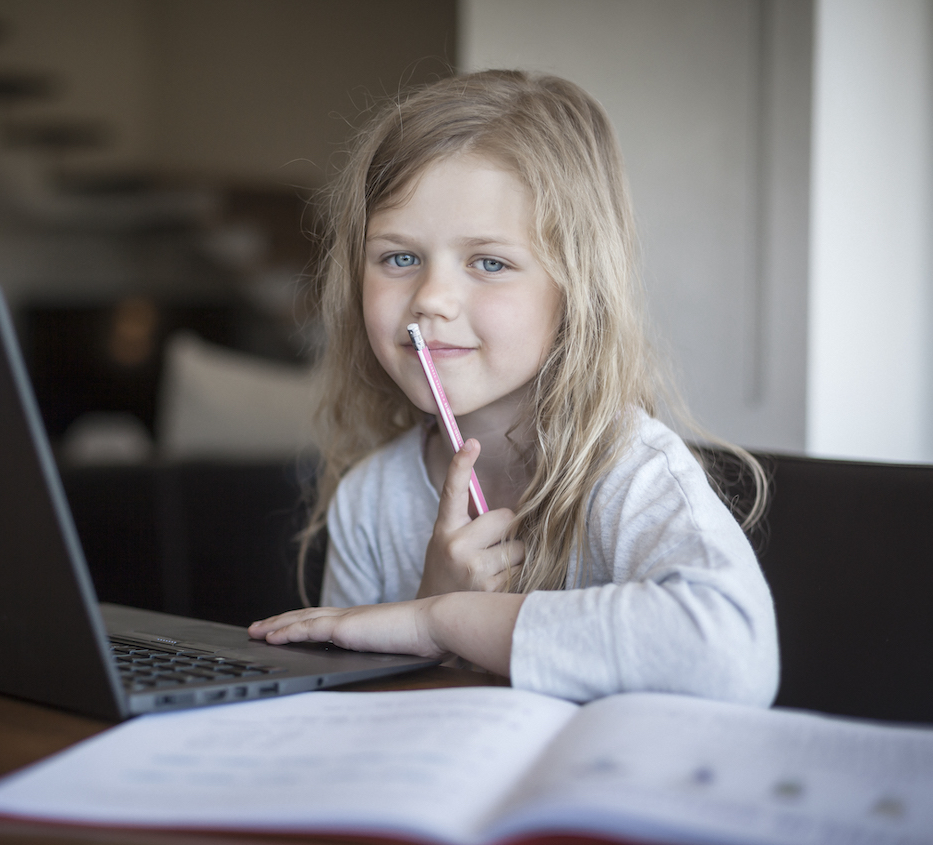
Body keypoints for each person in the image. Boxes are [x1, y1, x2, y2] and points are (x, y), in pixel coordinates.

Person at [247, 70, 779, 707]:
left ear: (576, 290)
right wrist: (428, 595)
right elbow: (340, 721)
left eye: (489, 263)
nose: (431, 298)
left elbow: (731, 658)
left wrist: (441, 620)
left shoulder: (631, 473)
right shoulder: (373, 501)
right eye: (399, 258)